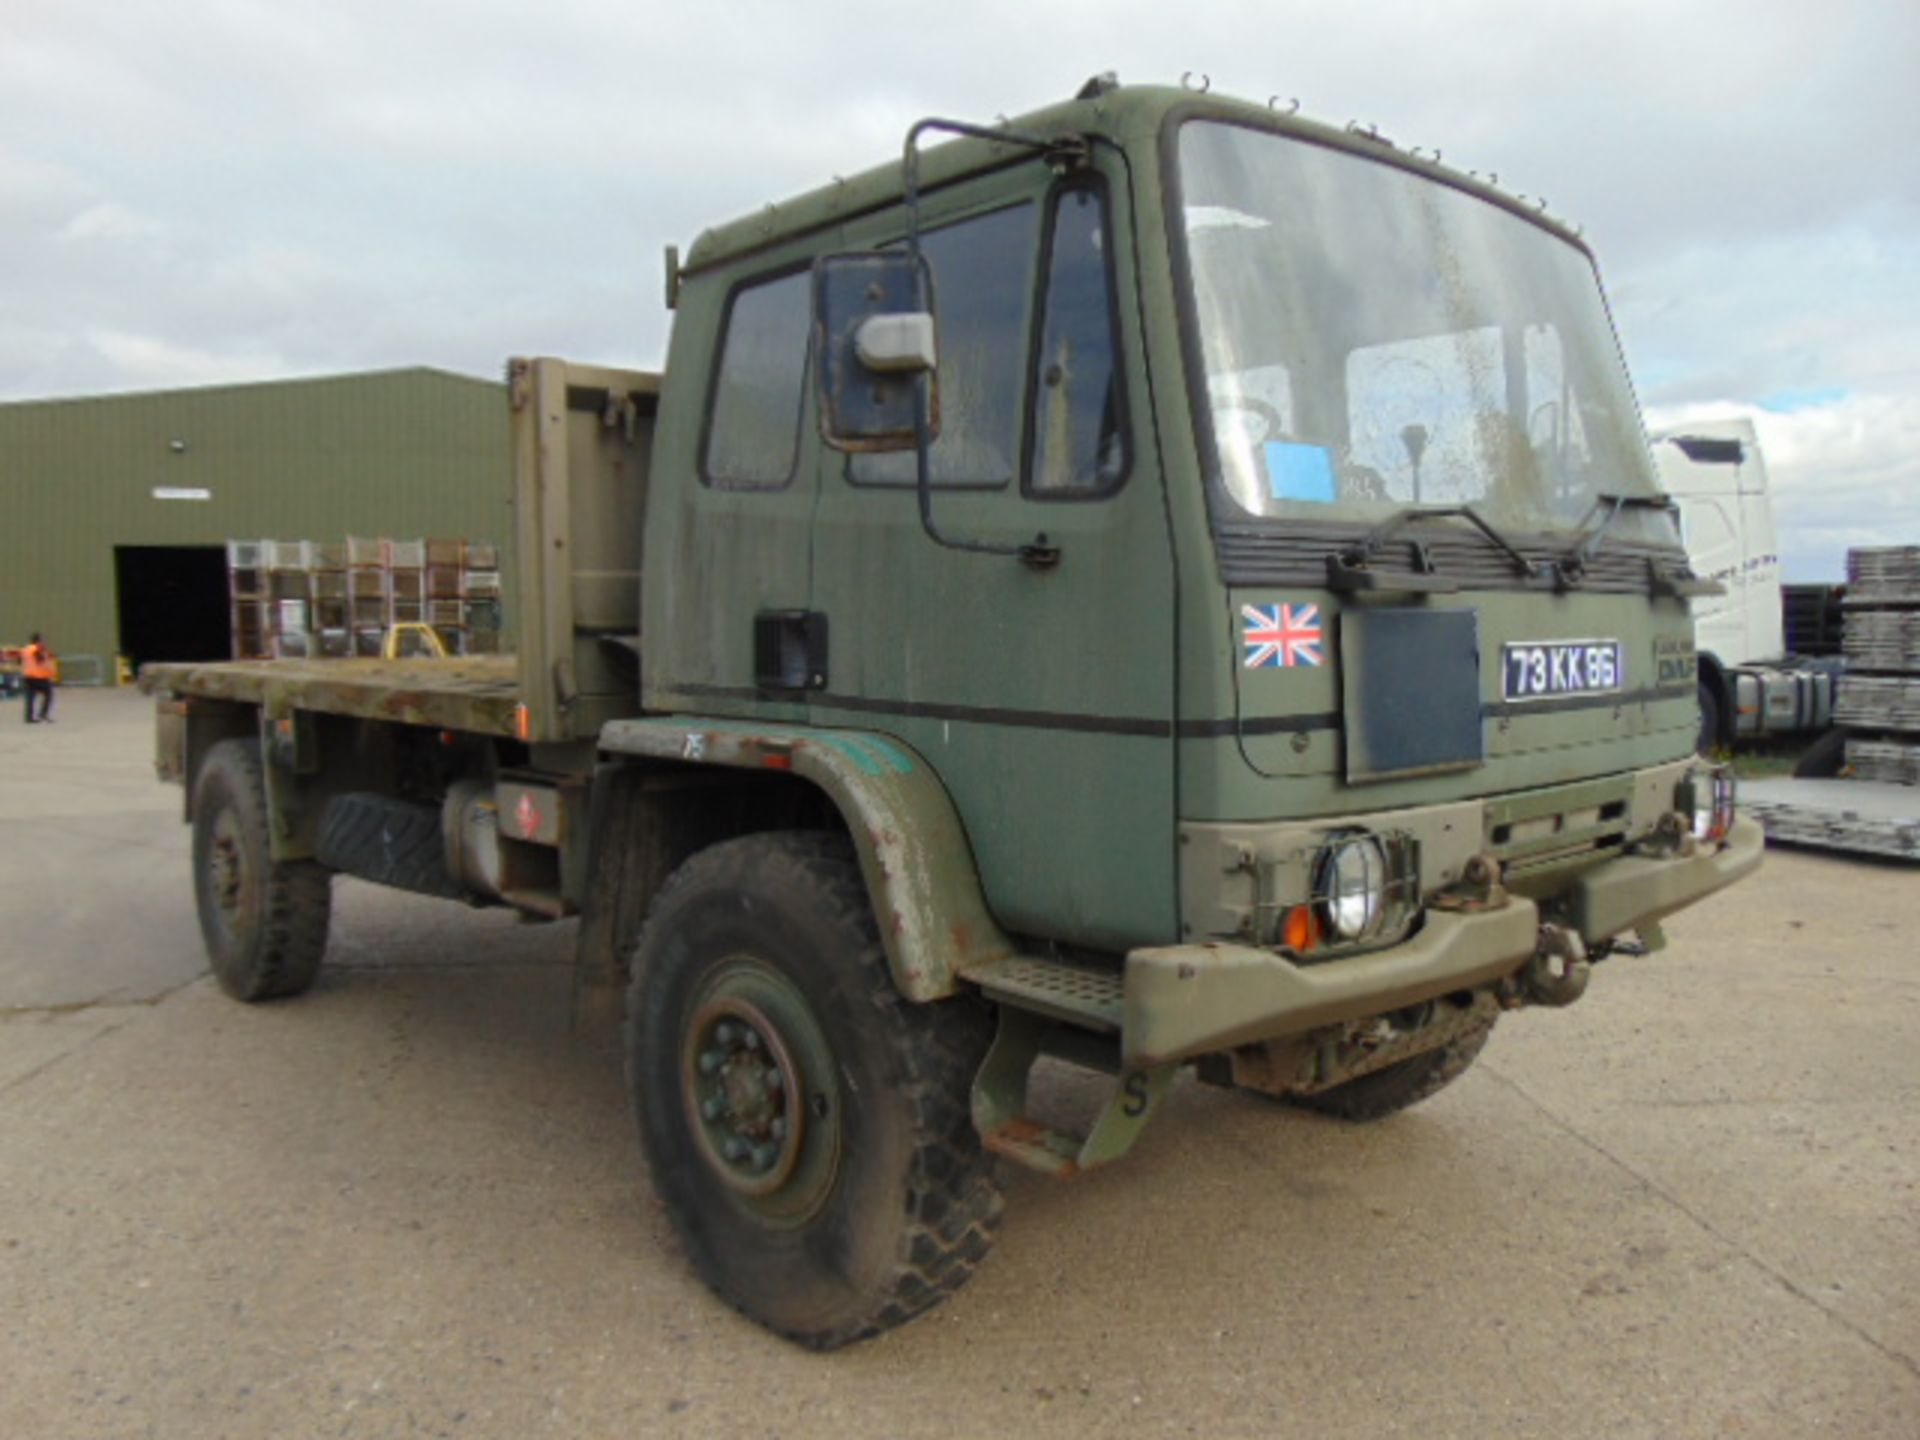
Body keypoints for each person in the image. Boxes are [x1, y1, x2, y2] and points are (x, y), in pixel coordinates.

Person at [22, 633, 55, 724]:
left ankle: (29, 717)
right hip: (39, 677)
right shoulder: (37, 649)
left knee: (30, 697)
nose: (44, 642)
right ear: (37, 641)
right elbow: (40, 660)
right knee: (48, 694)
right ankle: (43, 714)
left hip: (28, 676)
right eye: (42, 640)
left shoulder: (25, 649)